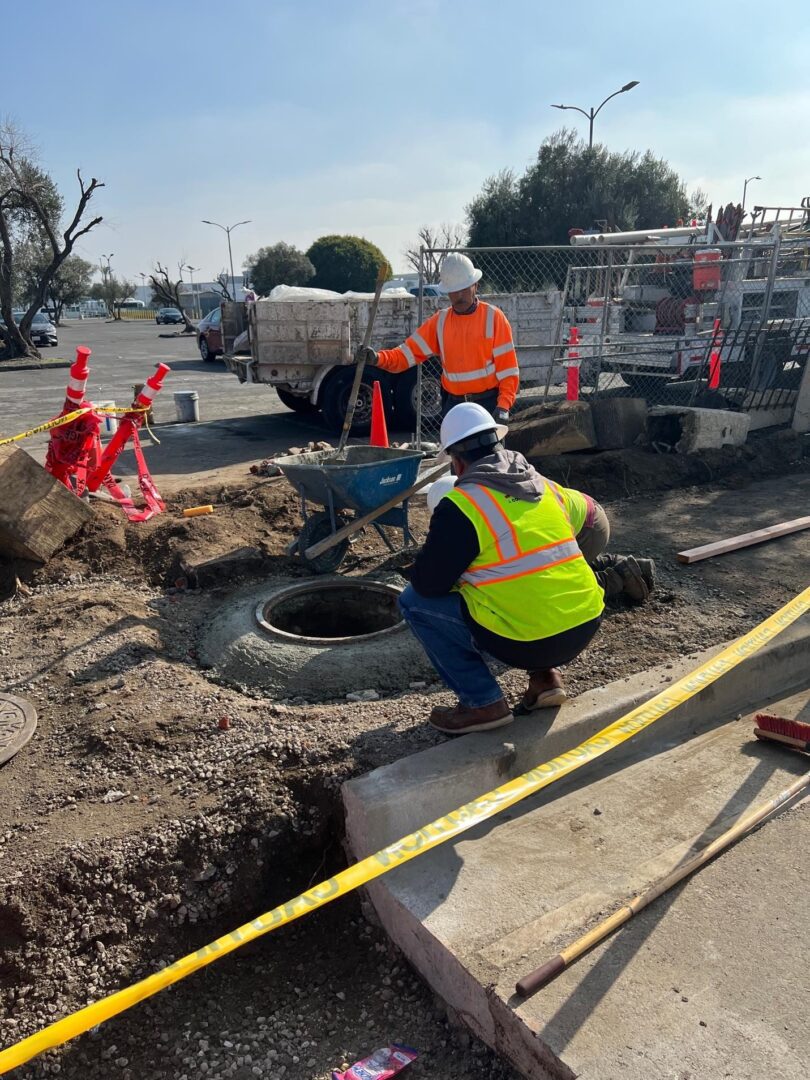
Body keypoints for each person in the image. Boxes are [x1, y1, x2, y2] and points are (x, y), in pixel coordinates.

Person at [399, 404, 654, 735]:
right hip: (585, 622)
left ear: (457, 462)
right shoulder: (543, 486)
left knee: (412, 602)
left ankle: (483, 703)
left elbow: (428, 585)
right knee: (526, 586)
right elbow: (584, 523)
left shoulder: (463, 505)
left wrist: (464, 575)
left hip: (528, 640)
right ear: (499, 446)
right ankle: (545, 680)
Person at [355, 253, 518, 423]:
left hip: (488, 405)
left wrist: (503, 406)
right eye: (454, 291)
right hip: (454, 406)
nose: (459, 295)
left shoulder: (494, 318)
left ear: (475, 286)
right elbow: (406, 354)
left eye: (464, 288)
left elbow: (508, 370)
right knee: (455, 450)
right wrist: (378, 358)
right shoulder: (440, 323)